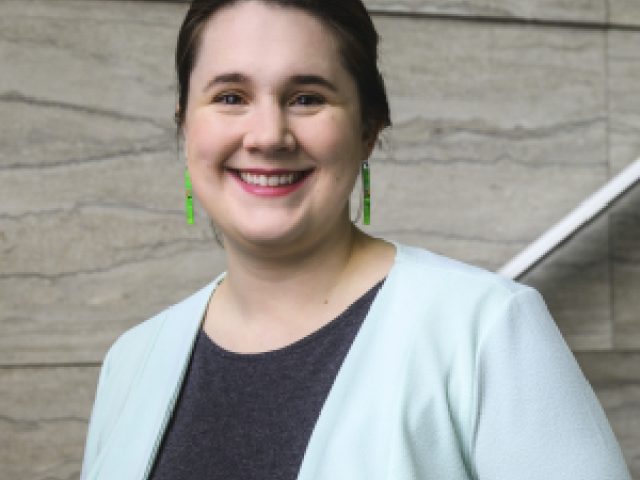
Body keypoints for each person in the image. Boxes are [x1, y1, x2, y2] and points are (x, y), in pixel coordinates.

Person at [80, 0, 632, 478]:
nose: (268, 135)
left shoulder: (487, 329)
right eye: (230, 97)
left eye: (307, 97)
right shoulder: (131, 362)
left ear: (368, 129)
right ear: (186, 126)